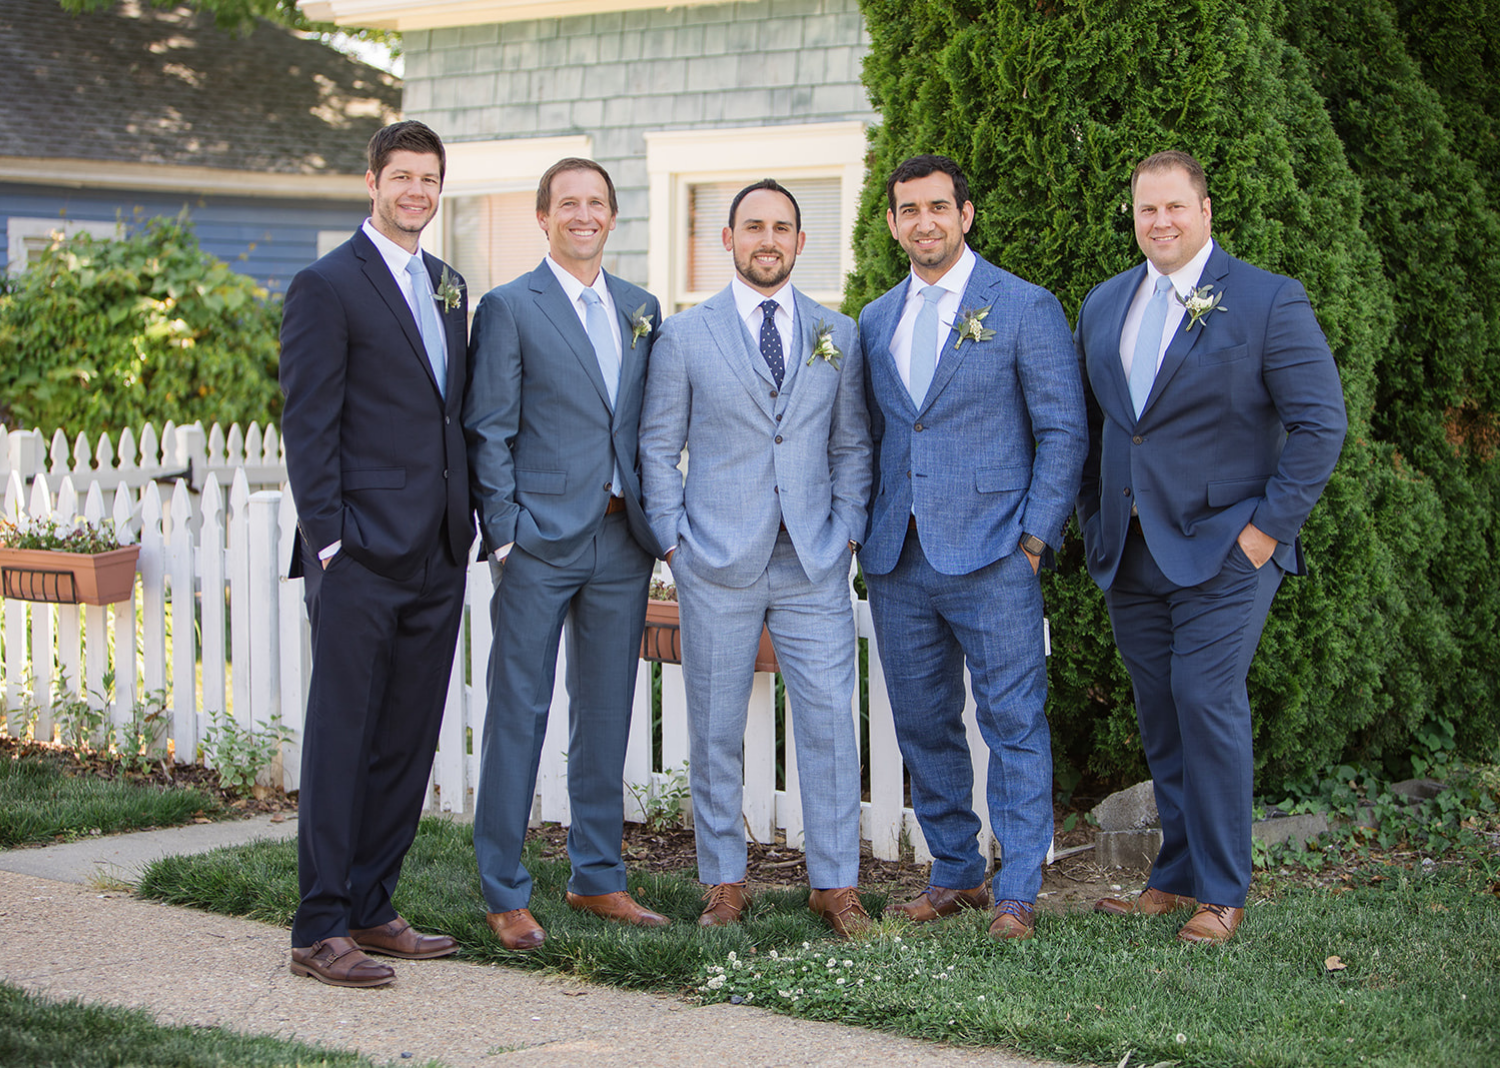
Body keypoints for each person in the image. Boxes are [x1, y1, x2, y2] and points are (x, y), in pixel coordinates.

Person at [1075, 150, 1347, 944]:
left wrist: (1266, 532)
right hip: (1130, 549)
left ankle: (1223, 890)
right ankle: (1175, 874)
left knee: (1206, 702)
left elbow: (1320, 424)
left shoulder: (1266, 299)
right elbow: (1106, 427)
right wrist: (1096, 514)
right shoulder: (1104, 303)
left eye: (1174, 207)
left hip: (1227, 546)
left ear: (1205, 210)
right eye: (1145, 209)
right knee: (1161, 715)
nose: (1159, 222)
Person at [858, 155, 1087, 941]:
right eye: (908, 210)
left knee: (1013, 721)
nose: (924, 221)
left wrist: (1033, 541)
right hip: (898, 557)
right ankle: (955, 870)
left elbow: (1063, 430)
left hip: (994, 554)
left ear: (966, 214)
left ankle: (1019, 887)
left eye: (937, 207)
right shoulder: (875, 319)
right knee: (923, 724)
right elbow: (882, 434)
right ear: (892, 224)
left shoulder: (1023, 306)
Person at [639, 180, 873, 937]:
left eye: (782, 228)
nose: (767, 239)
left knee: (832, 724)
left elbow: (852, 446)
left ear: (801, 243)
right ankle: (723, 883)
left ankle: (835, 886)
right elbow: (656, 446)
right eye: (752, 227)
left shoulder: (837, 331)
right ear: (728, 240)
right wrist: (676, 541)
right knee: (712, 726)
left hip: (812, 561)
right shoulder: (685, 336)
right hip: (717, 560)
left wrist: (845, 533)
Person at [279, 120, 471, 987]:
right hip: (356, 555)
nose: (416, 193)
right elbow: (308, 423)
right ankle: (317, 926)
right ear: (372, 182)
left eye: (429, 180)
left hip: (437, 549)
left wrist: (461, 527)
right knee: (341, 739)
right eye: (402, 177)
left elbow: (446, 416)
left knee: (408, 738)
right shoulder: (326, 286)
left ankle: (372, 905)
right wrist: (328, 543)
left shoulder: (449, 286)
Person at [465, 158, 666, 950]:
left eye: (597, 204)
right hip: (540, 544)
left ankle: (597, 877)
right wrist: (508, 533)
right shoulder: (511, 307)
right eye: (568, 203)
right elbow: (489, 427)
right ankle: (504, 889)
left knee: (606, 713)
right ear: (543, 217)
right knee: (519, 712)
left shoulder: (641, 308)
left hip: (622, 541)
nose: (583, 215)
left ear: (612, 218)